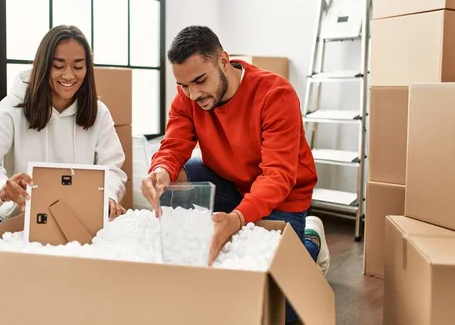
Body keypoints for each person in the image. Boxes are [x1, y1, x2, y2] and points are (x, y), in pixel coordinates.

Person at [141, 25, 330, 324]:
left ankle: (309, 241)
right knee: (174, 179)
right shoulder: (187, 96)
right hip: (229, 182)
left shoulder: (275, 94)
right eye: (184, 85)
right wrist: (160, 171)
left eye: (200, 81)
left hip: (284, 195)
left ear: (224, 61)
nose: (193, 94)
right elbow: (174, 145)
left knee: (281, 307)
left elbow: (278, 176)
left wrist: (238, 218)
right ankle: (206, 255)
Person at [0, 25, 127, 222]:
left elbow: (112, 167)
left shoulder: (98, 112)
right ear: (43, 65)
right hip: (21, 221)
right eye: (58, 66)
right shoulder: (12, 108)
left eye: (78, 66)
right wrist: (2, 187)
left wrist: (109, 195)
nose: (69, 75)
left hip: (80, 220)